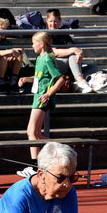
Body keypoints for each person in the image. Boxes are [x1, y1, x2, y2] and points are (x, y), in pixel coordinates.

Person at [26, 32, 67, 166]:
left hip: (42, 97)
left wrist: (48, 94)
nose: (32, 45)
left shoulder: (48, 59)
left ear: (41, 44)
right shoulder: (39, 59)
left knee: (31, 131)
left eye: (33, 42)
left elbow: (60, 79)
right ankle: (62, 150)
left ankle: (34, 164)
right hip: (37, 95)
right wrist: (27, 79)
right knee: (36, 133)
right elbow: (40, 78)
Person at [45, 9, 97, 93]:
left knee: (94, 67)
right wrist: (73, 50)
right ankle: (80, 81)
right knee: (72, 56)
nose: (53, 24)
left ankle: (75, 83)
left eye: (55, 21)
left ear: (60, 21)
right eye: (50, 21)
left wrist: (79, 52)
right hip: (54, 66)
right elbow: (53, 53)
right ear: (47, 21)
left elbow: (75, 50)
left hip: (68, 66)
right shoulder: (45, 35)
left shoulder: (64, 34)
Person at [0, 17, 25, 94]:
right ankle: (0, 83)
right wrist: (9, 51)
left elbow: (20, 48)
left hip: (4, 65)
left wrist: (17, 52)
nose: (5, 31)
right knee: (3, 57)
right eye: (2, 29)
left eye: (5, 29)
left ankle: (13, 82)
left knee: (18, 56)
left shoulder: (4, 41)